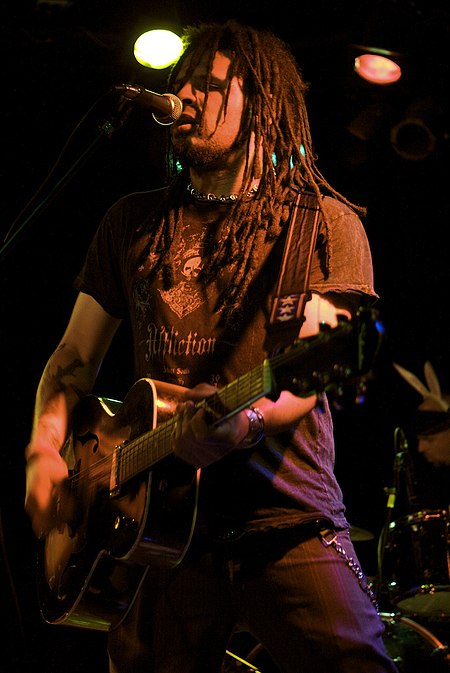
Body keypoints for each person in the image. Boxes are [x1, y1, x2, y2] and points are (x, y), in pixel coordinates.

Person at [24, 19, 399, 673]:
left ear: (261, 103)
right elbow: (74, 359)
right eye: (180, 82)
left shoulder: (322, 224)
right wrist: (41, 449)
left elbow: (308, 373)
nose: (185, 96)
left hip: (285, 519)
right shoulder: (130, 223)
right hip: (158, 535)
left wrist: (245, 418)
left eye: (208, 84)